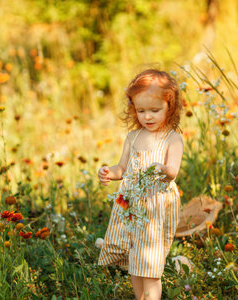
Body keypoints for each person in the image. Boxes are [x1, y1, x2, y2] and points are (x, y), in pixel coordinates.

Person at [97, 69, 183, 300]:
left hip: (156, 205)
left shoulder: (172, 139)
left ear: (170, 106)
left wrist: (162, 169)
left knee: (151, 262)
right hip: (131, 206)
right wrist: (108, 171)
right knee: (135, 259)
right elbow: (122, 169)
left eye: (155, 110)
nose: (148, 117)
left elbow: (172, 171)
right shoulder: (133, 137)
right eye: (141, 110)